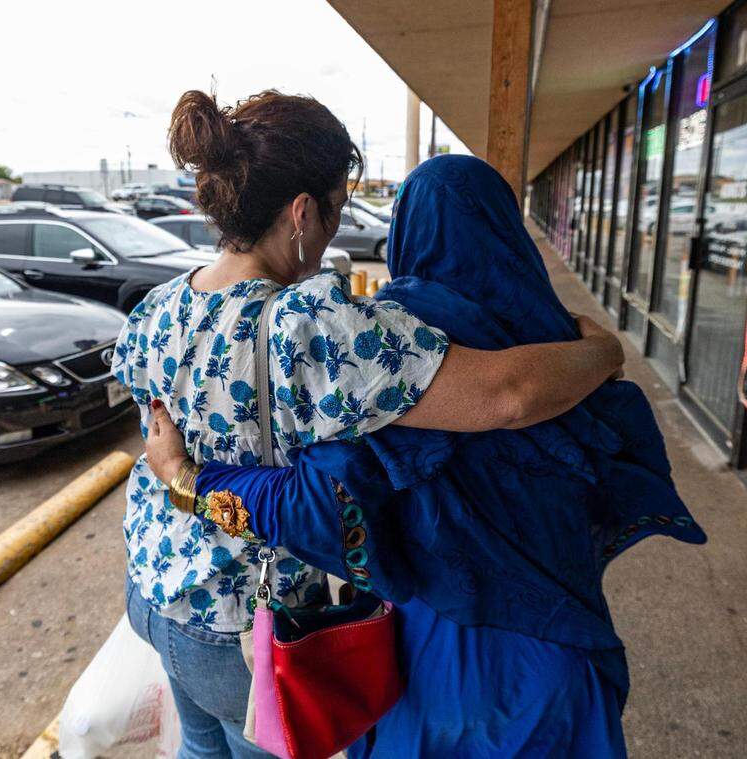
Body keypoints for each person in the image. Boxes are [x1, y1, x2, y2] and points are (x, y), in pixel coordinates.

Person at [112, 92, 625, 759]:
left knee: (201, 749)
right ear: (302, 212)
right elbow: (508, 394)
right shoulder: (313, 327)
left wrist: (183, 477)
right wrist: (603, 351)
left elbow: (157, 431)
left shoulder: (156, 305)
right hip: (242, 622)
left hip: (151, 591)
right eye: (335, 207)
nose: (333, 230)